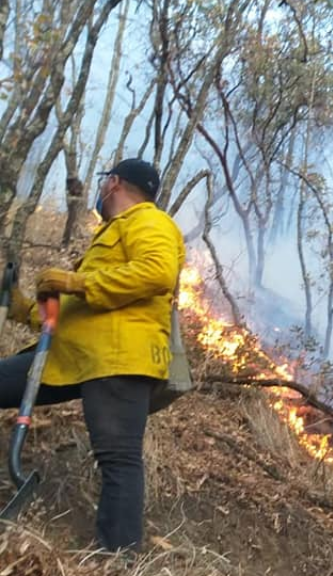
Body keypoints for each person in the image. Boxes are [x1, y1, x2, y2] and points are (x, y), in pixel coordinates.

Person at [1, 158, 185, 552]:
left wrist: (76, 280)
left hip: (120, 358)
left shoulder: (149, 222)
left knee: (118, 458)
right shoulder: (115, 234)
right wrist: (23, 308)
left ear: (113, 183)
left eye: (104, 182)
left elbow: (156, 272)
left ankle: (119, 557)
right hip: (74, 354)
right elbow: (81, 309)